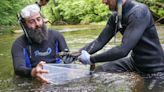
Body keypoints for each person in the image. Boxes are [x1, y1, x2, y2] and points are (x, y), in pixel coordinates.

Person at [64, 0, 164, 76]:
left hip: (155, 67)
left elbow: (122, 50)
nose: (104, 1)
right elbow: (99, 41)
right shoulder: (116, 17)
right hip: (134, 62)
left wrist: (91, 59)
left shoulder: (139, 12)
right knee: (98, 71)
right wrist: (76, 54)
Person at [11, 4, 69, 83]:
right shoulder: (19, 44)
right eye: (31, 22)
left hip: (58, 78)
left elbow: (68, 59)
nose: (37, 24)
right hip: (32, 80)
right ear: (24, 25)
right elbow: (18, 68)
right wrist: (33, 72)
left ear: (42, 19)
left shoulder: (57, 36)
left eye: (38, 19)